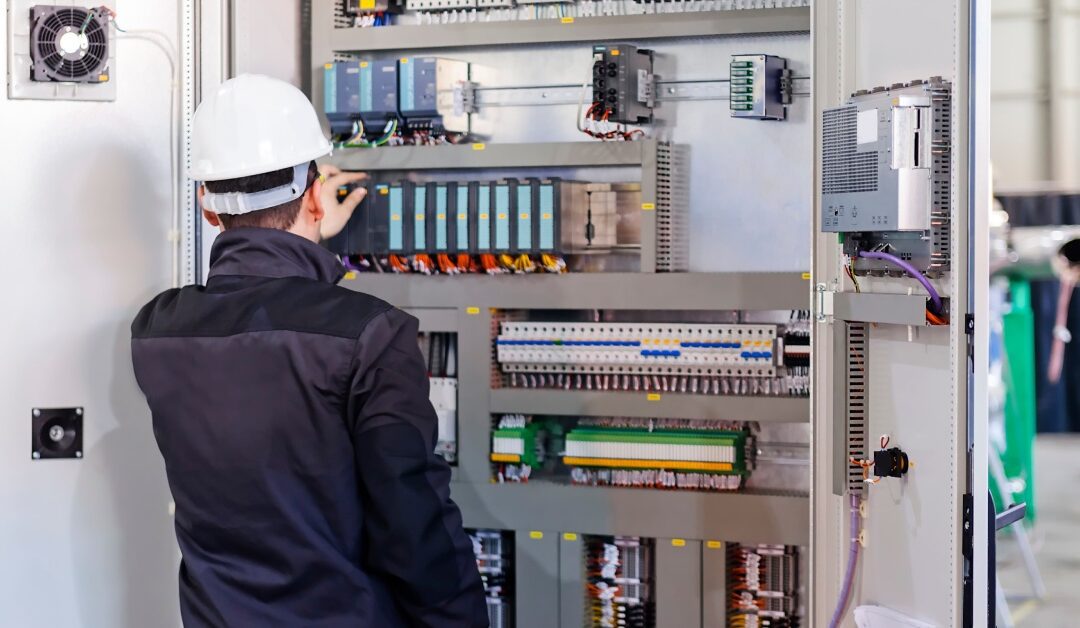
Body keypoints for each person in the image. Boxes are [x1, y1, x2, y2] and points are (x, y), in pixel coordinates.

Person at [130, 74, 487, 627]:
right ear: (317, 196)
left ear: (207, 208)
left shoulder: (157, 331)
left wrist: (314, 250)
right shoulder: (373, 335)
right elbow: (413, 528)